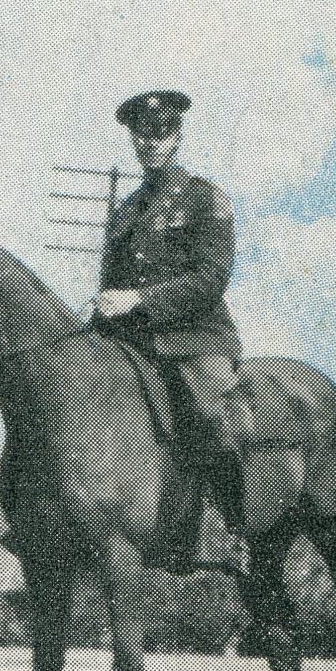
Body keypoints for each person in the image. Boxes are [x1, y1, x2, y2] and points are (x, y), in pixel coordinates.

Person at [93, 89, 249, 574]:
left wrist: (139, 300)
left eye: (160, 134)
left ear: (177, 137)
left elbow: (211, 278)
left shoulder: (205, 199)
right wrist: (100, 310)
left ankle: (234, 530)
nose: (150, 143)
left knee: (209, 416)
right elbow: (111, 284)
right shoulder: (125, 212)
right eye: (142, 134)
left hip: (196, 339)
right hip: (132, 342)